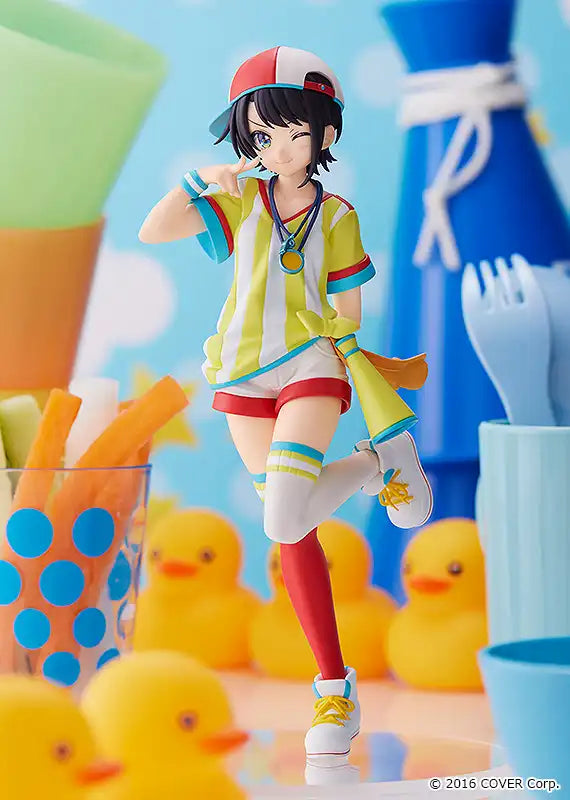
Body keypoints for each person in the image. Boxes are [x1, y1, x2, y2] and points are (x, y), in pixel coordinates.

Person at [139, 46, 432, 763]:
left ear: (324, 134)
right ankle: (337, 681)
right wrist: (197, 181)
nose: (276, 149)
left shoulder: (336, 215)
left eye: (292, 133)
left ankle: (330, 690)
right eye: (261, 135)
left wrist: (343, 343)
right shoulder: (240, 198)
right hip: (242, 375)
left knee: (282, 516)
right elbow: (154, 230)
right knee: (291, 527)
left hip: (310, 365)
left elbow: (349, 306)